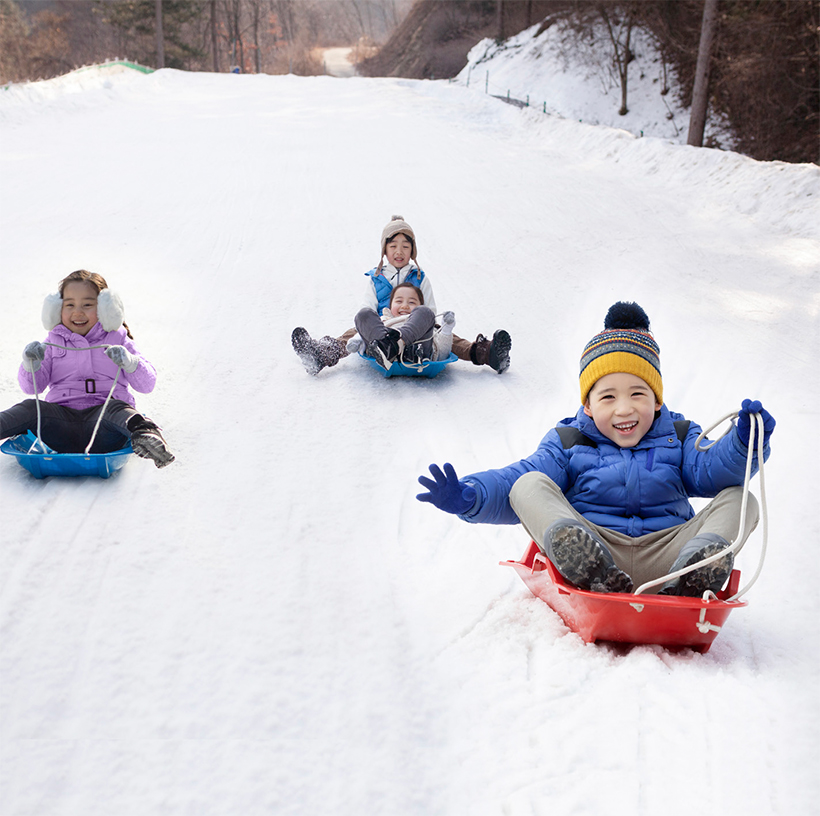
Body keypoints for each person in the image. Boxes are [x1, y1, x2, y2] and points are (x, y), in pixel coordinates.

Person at [416, 301, 775, 596]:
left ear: (657, 400)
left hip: (672, 553)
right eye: (608, 397)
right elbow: (519, 477)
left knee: (742, 500)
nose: (624, 408)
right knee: (528, 485)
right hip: (595, 545)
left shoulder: (678, 433)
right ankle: (589, 569)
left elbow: (712, 471)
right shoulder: (570, 439)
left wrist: (744, 444)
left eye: (638, 394)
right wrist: (471, 496)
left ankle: (690, 578)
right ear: (588, 405)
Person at [291, 215, 511, 375]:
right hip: (382, 329)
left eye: (405, 246)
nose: (399, 251)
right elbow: (367, 307)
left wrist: (421, 322)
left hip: (415, 330)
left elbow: (431, 312)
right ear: (384, 250)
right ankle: (321, 354)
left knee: (447, 336)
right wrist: (374, 326)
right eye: (393, 245)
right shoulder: (376, 278)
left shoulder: (419, 277)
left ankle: (487, 353)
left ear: (412, 251)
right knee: (356, 326)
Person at [1, 269, 175, 468]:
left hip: (105, 427)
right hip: (60, 424)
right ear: (57, 309)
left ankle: (147, 435)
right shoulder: (52, 341)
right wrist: (31, 364)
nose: (78, 312)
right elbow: (32, 388)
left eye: (87, 305)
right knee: (30, 407)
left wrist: (130, 362)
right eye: (70, 305)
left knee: (118, 408)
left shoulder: (117, 339)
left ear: (104, 309)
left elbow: (147, 384)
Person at [346, 282, 456, 370]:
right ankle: (386, 348)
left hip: (417, 351)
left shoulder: (423, 322)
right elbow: (365, 331)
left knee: (427, 312)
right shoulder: (384, 320)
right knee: (363, 314)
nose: (404, 306)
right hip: (383, 350)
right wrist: (356, 341)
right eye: (399, 301)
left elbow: (442, 353)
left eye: (412, 302)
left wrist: (447, 328)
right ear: (390, 305)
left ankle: (394, 346)